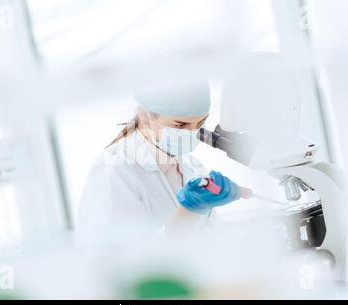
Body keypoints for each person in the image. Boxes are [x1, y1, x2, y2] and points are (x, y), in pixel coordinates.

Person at [76, 81, 248, 240]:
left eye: (200, 124)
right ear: (145, 116)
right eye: (180, 125)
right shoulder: (114, 170)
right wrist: (188, 212)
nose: (192, 133)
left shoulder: (192, 166)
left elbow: (211, 239)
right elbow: (123, 262)